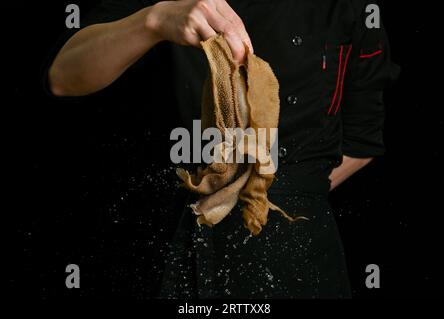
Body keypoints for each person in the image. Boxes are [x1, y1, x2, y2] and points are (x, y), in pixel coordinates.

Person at [46, 0, 399, 298]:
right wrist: (153, 20)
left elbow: (362, 141)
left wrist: (260, 194)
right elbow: (63, 75)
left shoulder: (349, 8)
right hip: (166, 237)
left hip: (294, 253)